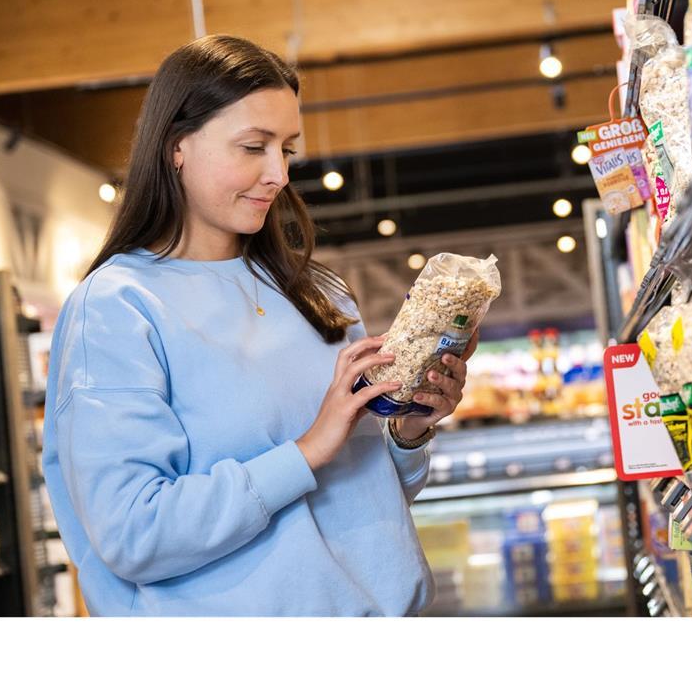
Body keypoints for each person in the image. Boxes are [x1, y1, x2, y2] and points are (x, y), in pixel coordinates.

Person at [41, 35, 477, 616]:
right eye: (253, 147)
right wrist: (306, 450)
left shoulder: (318, 294)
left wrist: (409, 429)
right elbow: (133, 534)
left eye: (288, 151)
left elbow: (367, 492)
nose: (277, 175)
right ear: (177, 146)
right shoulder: (117, 309)